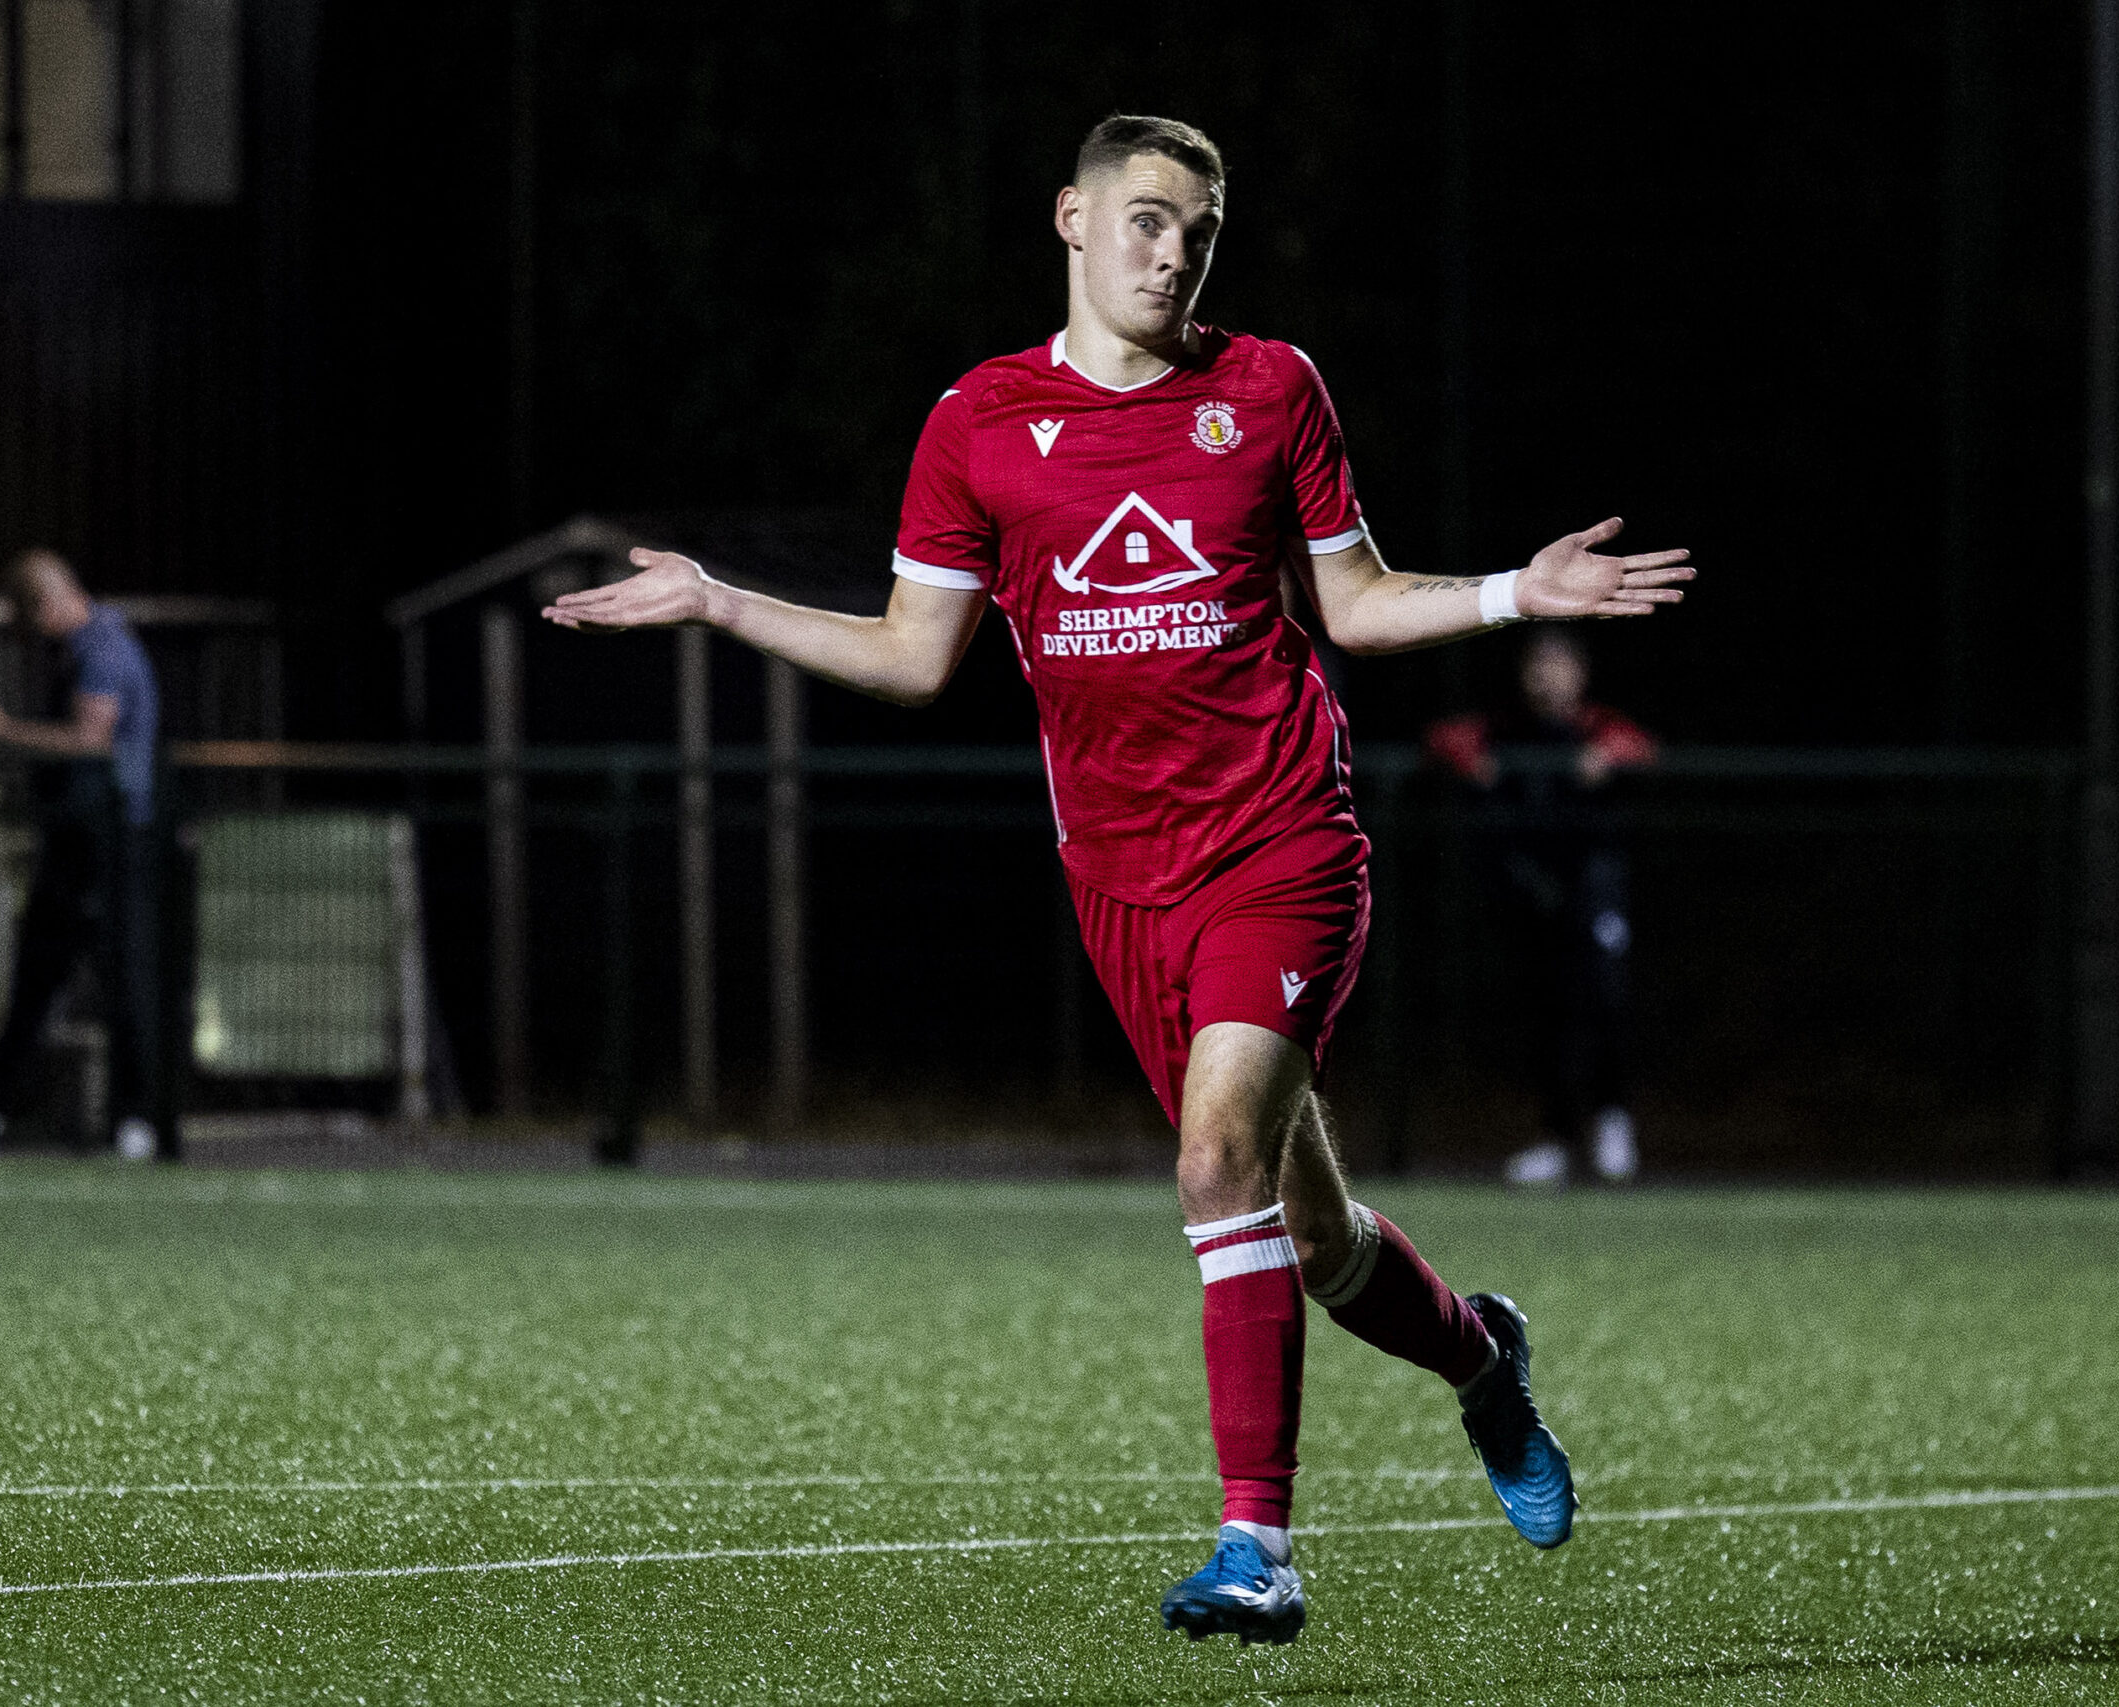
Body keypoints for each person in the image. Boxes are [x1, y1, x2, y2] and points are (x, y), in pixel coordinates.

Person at [548, 115, 1693, 1644]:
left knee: (1217, 1158)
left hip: (1284, 842)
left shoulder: (1268, 389)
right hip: (1120, 880)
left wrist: (1507, 591)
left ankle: (1258, 1546)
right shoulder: (979, 423)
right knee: (1320, 1236)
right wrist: (717, 601)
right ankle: (1485, 1357)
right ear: (1072, 222)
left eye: (1199, 231)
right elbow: (910, 655)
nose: (1173, 252)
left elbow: (1351, 605)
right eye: (1148, 220)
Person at [1427, 628, 1658, 1188]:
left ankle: (1613, 1119)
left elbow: (1642, 750)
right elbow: (1444, 738)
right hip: (1531, 891)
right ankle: (1558, 1138)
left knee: (1605, 996)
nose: (1547, 677)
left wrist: (1607, 760)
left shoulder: (1596, 727)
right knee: (1545, 1013)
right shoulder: (1507, 729)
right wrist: (1473, 761)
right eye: (1538, 666)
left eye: (1559, 666)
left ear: (1580, 674)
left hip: (1592, 886)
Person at [0, 549, 165, 1162]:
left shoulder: (100, 645)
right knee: (39, 970)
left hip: (110, 841)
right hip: (78, 839)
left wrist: (4, 732)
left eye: (30, 620)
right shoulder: (87, 644)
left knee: (123, 978)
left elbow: (88, 739)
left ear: (47, 605)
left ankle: (138, 1118)